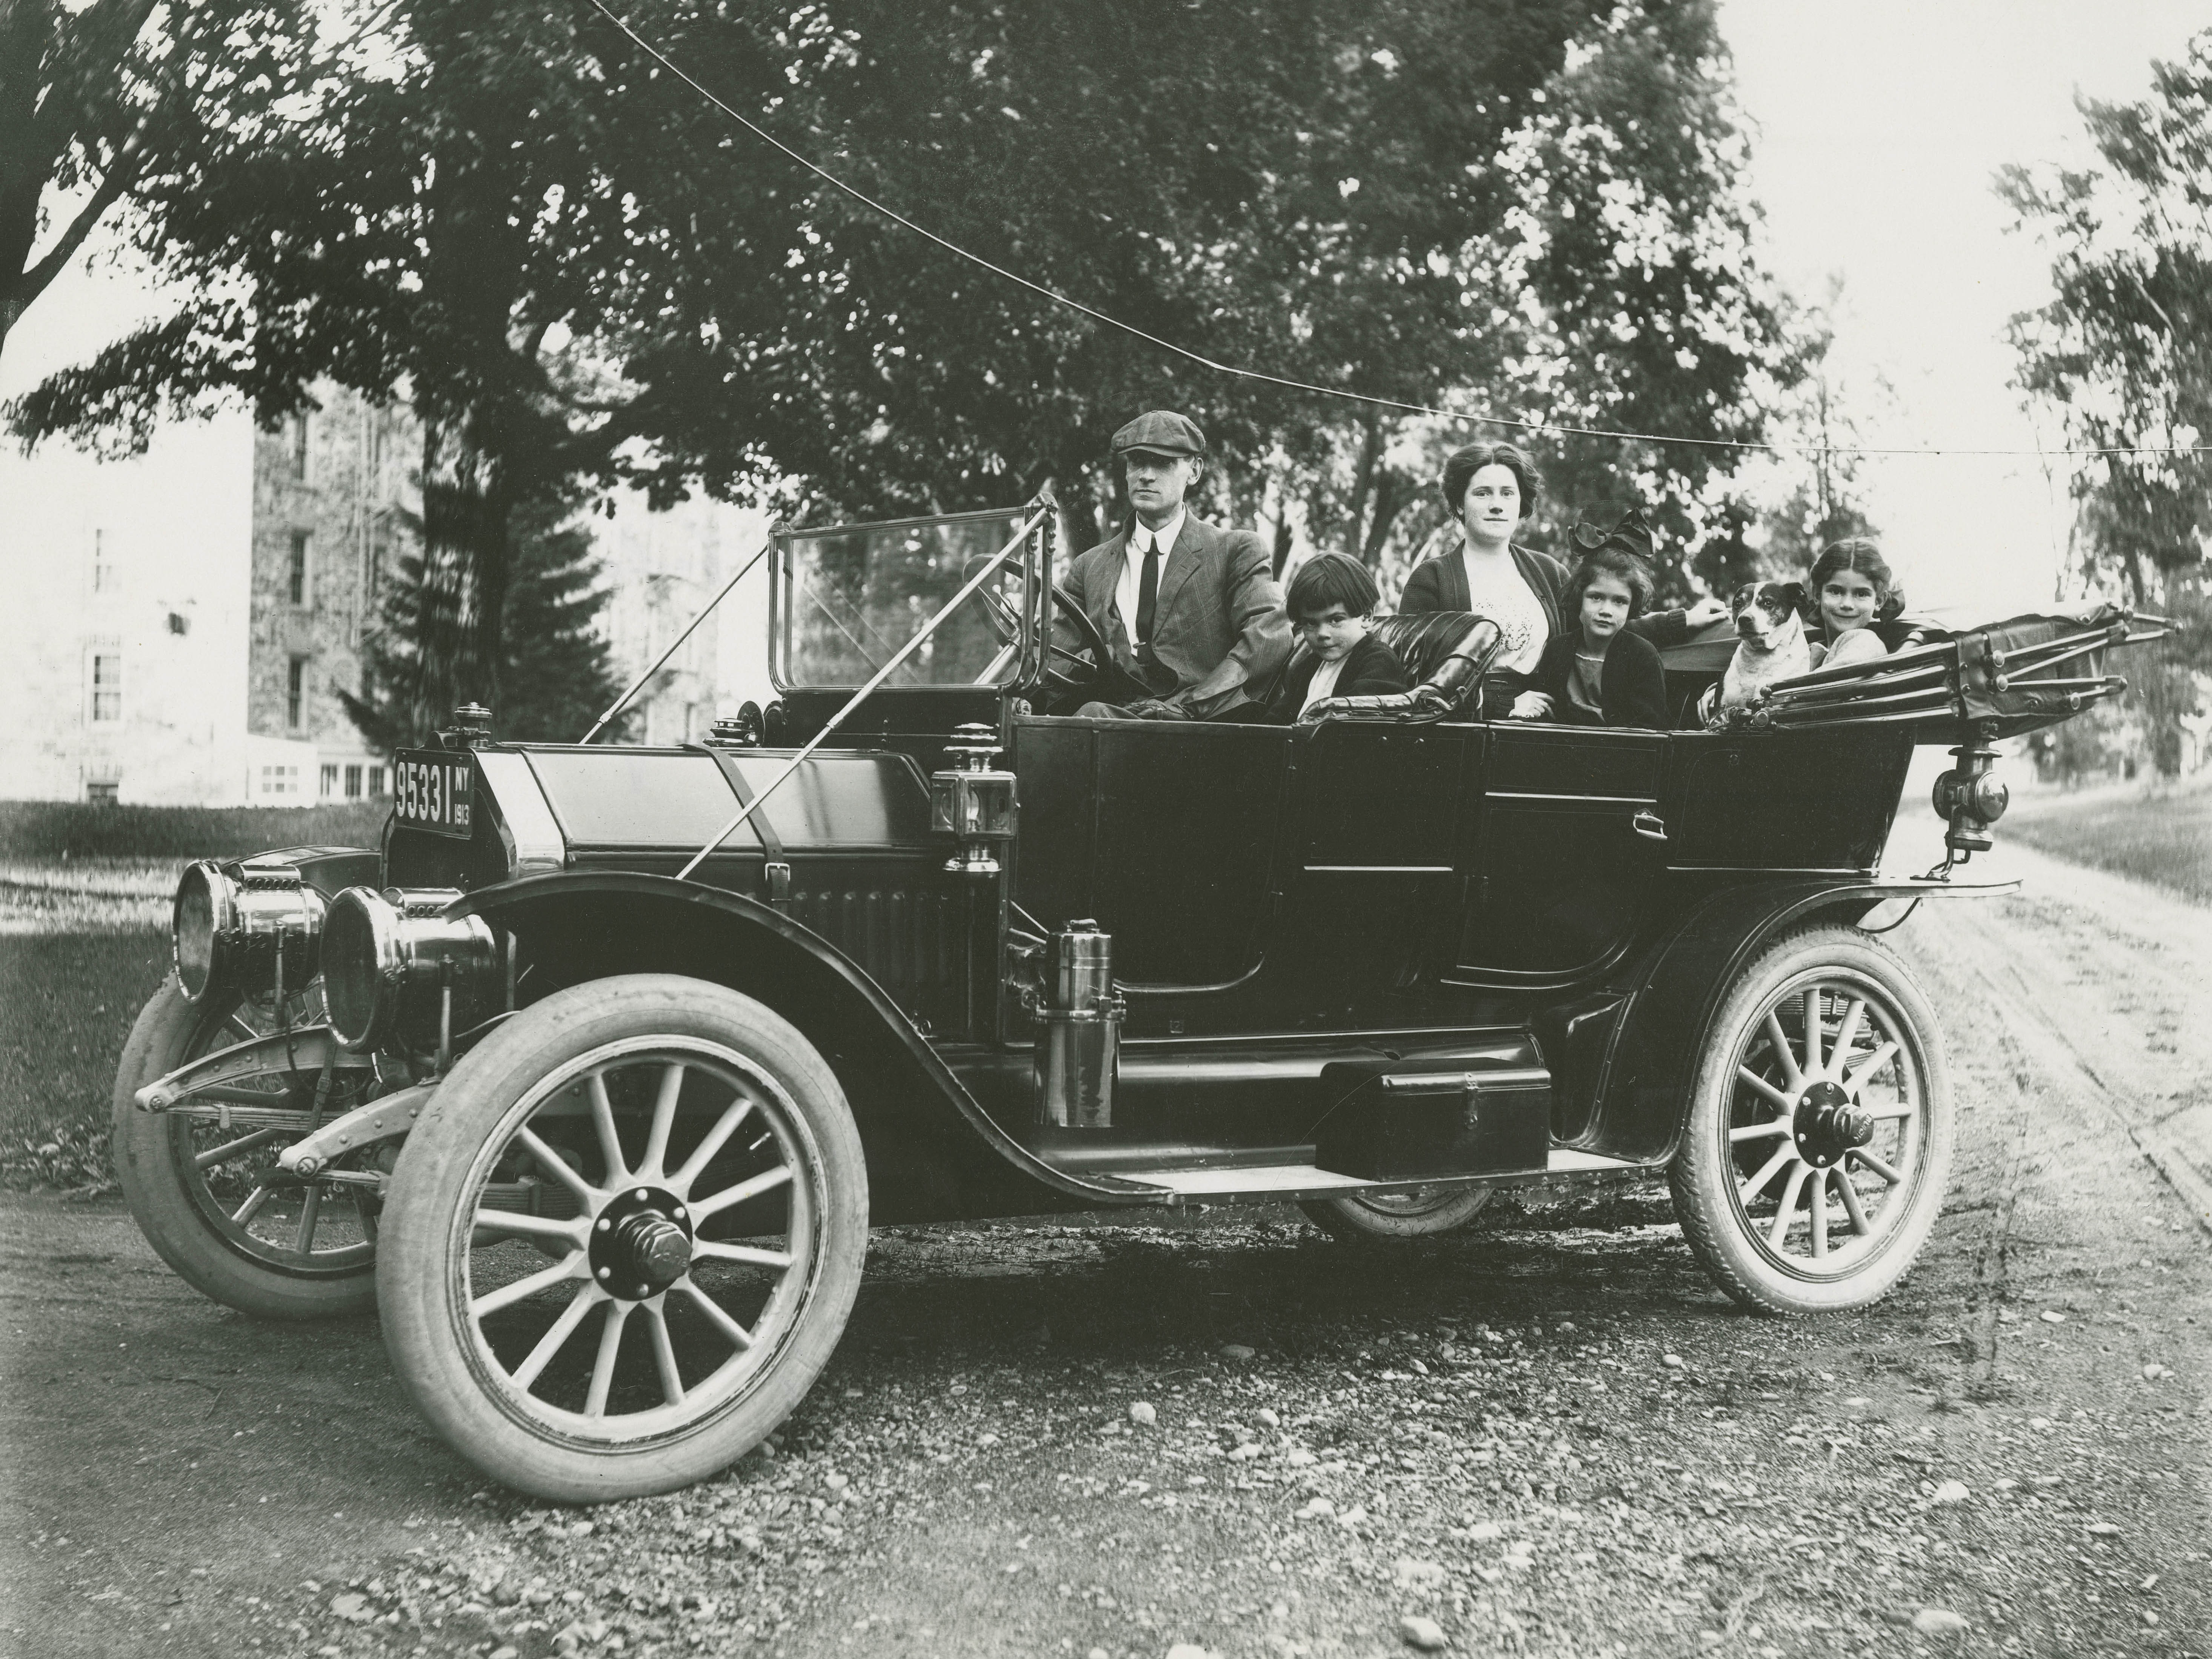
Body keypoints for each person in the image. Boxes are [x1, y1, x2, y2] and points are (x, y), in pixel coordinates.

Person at [1397, 445, 1724, 715]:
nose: (1497, 505)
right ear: (1459, 503)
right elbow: (1413, 677)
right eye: (1483, 494)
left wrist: (1683, 621)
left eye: (1508, 494)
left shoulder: (1549, 572)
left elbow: (1598, 629)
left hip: (1545, 724)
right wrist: (1502, 704)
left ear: (1521, 504)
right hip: (1465, 729)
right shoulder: (1432, 579)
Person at [1061, 410, 1291, 720]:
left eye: (1163, 463)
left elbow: (1268, 638)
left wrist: (1190, 705)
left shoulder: (1235, 551)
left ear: (1194, 471)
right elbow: (1054, 656)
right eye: (1137, 462)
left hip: (1195, 730)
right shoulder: (1089, 567)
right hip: (1110, 723)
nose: (1146, 475)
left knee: (1091, 718)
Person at [1521, 542, 1670, 729]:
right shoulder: (1557, 650)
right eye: (1596, 597)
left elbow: (1652, 729)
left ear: (1631, 606)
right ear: (1579, 597)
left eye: (1619, 601)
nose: (1606, 611)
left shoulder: (1642, 656)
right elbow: (1544, 712)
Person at [1258, 552, 1411, 722]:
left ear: (1366, 617)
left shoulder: (1378, 661)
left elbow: (1355, 722)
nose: (1323, 633)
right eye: (1311, 623)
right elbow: (1275, 721)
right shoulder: (1308, 667)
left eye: (1336, 620)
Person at [1807, 537, 1903, 669]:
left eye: (1862, 594)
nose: (1847, 604)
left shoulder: (1866, 645)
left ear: (1879, 600)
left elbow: (1815, 687)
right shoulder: (1814, 648)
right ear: (1818, 595)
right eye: (1835, 591)